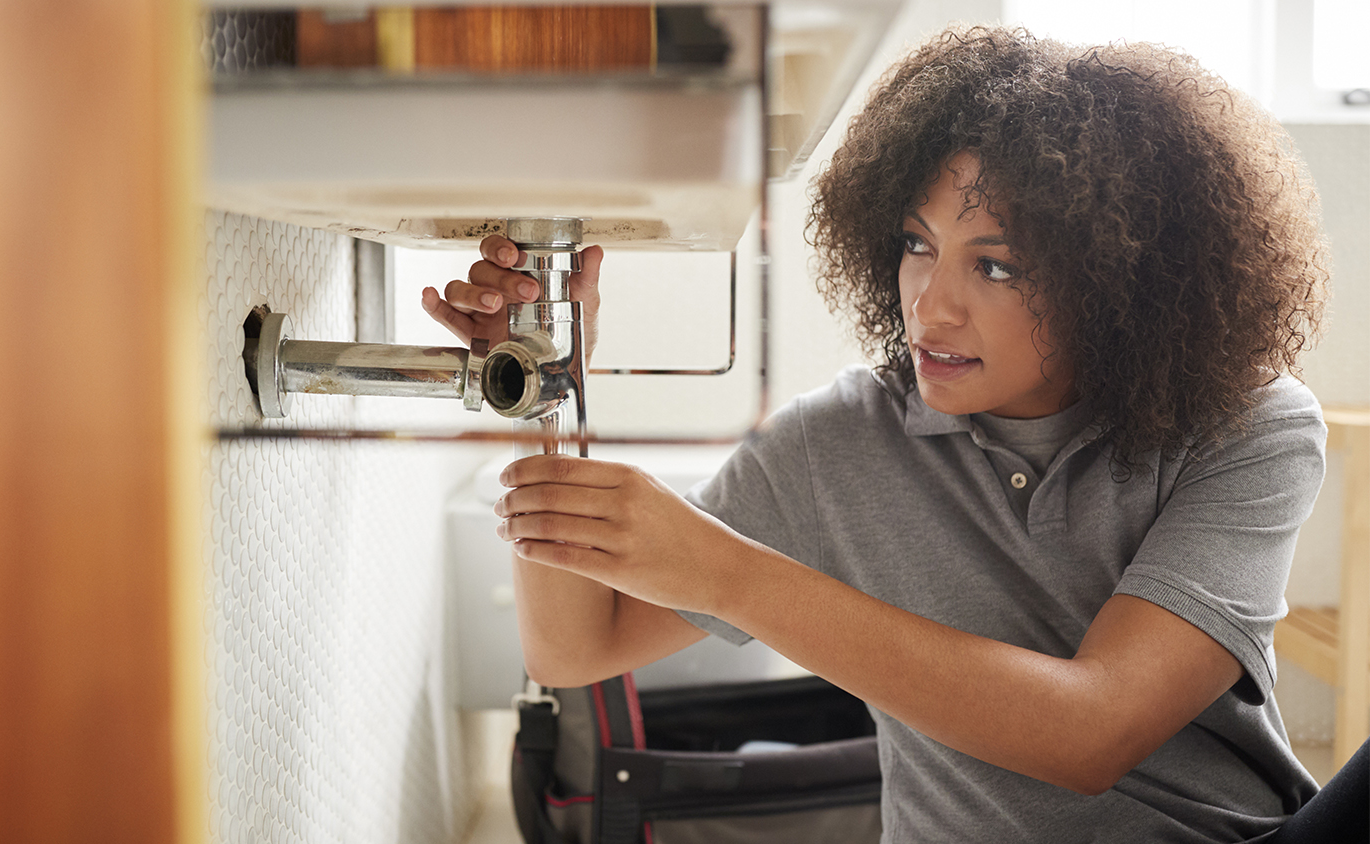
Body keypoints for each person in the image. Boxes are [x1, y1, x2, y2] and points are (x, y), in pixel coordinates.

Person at [422, 26, 1360, 843]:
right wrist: (540, 385)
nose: (933, 306)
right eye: (917, 245)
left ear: (1119, 280)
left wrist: (726, 571)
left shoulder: (1247, 426)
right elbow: (576, 650)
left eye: (996, 266)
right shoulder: (838, 443)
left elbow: (1091, 735)